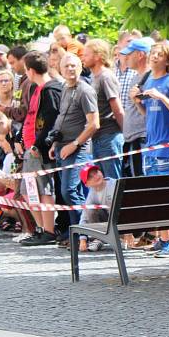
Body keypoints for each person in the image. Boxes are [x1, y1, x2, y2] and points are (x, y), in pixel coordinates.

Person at [130, 41, 169, 258]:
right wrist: (138, 101)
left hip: (168, 150)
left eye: (159, 54)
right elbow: (149, 115)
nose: (154, 56)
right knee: (157, 198)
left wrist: (162, 97)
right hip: (150, 149)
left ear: (168, 60)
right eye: (153, 53)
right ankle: (162, 239)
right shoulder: (149, 81)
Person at [48, 53, 99, 232]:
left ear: (80, 67)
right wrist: (55, 144)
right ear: (60, 69)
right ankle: (77, 233)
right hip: (62, 147)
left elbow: (94, 124)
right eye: (66, 66)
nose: (70, 69)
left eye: (73, 65)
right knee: (70, 194)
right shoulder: (65, 88)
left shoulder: (85, 90)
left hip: (78, 149)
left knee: (69, 192)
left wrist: (74, 144)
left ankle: (83, 234)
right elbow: (62, 118)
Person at [16, 51, 63, 247]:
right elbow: (30, 117)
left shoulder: (50, 90)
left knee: (42, 189)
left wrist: (39, 144)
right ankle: (41, 229)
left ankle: (48, 230)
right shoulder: (37, 89)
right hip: (29, 147)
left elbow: (51, 121)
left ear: (30, 70)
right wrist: (19, 138)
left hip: (38, 149)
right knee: (28, 191)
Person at [83, 39, 125, 179]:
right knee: (103, 182)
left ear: (98, 56)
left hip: (109, 136)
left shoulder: (105, 76)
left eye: (86, 54)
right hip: (98, 137)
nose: (83, 58)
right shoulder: (94, 77)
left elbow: (117, 108)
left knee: (112, 181)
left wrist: (126, 133)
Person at [120, 36, 153, 178]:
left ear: (140, 55)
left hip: (142, 139)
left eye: (130, 53)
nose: (126, 57)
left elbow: (150, 112)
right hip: (131, 139)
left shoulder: (150, 79)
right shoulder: (136, 77)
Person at [77, 164, 114, 252]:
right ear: (87, 184)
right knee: (90, 209)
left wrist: (128, 233)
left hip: (125, 224)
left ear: (101, 172)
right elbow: (84, 217)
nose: (95, 176)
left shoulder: (114, 184)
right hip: (111, 225)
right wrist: (83, 239)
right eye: (90, 177)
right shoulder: (92, 193)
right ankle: (97, 239)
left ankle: (99, 238)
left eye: (96, 172)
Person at [0, 46, 35, 127]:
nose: (11, 66)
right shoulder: (23, 80)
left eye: (12, 63)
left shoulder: (30, 82)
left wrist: (6, 110)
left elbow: (24, 112)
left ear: (23, 60)